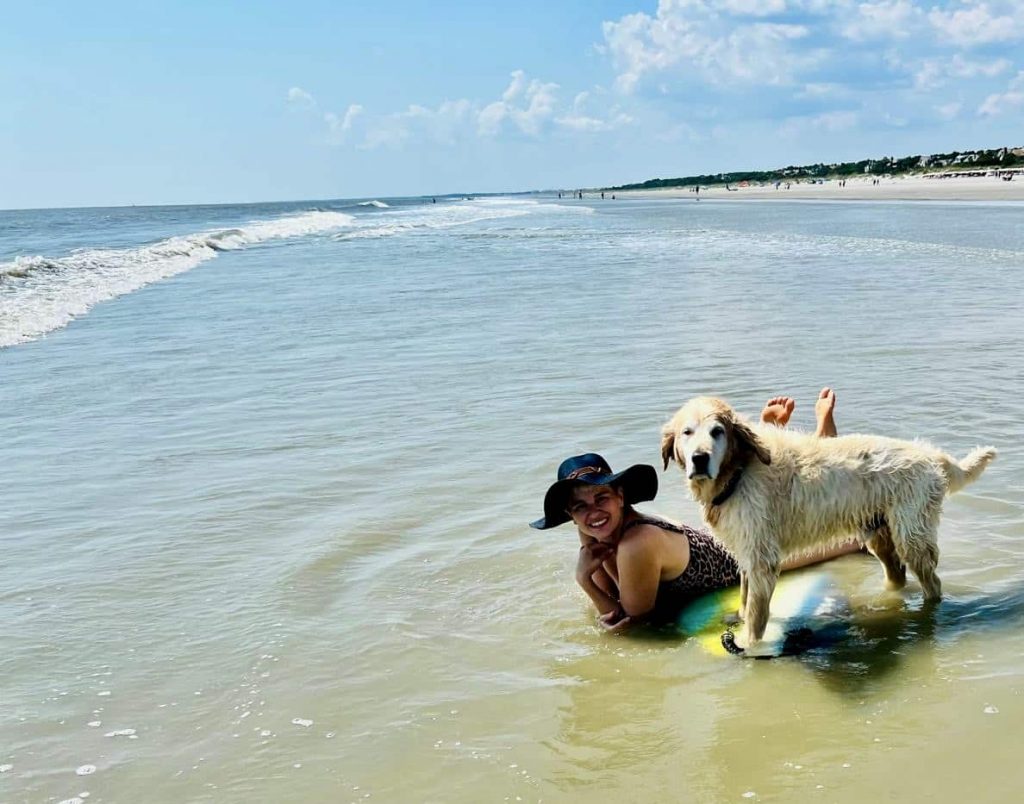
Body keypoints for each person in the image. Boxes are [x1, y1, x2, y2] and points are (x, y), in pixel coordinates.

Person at [530, 389, 861, 631]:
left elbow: (633, 622)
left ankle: (820, 437)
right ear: (570, 515)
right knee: (783, 490)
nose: (593, 513)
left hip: (730, 561)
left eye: (601, 499)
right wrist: (588, 545)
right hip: (702, 542)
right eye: (580, 508)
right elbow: (613, 597)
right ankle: (773, 435)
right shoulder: (603, 536)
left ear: (620, 496)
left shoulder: (633, 545)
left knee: (848, 534)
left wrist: (583, 581)